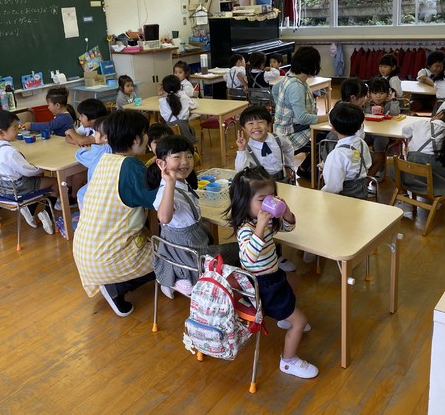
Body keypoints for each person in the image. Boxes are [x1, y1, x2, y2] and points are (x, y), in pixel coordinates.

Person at [225, 166, 317, 379]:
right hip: (262, 284)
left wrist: (287, 213)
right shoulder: (247, 228)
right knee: (300, 322)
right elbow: (248, 259)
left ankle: (283, 316)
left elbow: (288, 228)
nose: (269, 201)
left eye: (272, 196)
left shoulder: (262, 220)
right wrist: (260, 228)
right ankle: (288, 361)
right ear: (245, 202)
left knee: (293, 280)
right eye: (262, 199)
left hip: (273, 275)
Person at [72, 110, 158, 317]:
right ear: (136, 139)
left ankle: (114, 282)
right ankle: (118, 287)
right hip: (106, 258)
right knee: (171, 257)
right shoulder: (131, 166)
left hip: (84, 250)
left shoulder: (106, 159)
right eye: (145, 133)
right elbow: (159, 203)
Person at [147, 135, 239, 297]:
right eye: (177, 157)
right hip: (191, 255)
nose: (185, 161)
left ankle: (180, 276)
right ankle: (185, 277)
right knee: (239, 249)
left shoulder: (181, 182)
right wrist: (170, 183)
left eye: (189, 156)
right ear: (161, 163)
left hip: (187, 248)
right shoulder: (166, 190)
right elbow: (164, 217)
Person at [235, 105, 297, 272]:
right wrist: (241, 150)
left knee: (283, 212)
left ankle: (283, 245)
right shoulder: (247, 148)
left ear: (269, 124)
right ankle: (276, 254)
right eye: (250, 124)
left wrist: (289, 165)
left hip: (281, 180)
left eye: (260, 122)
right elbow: (240, 170)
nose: (256, 127)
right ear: (244, 129)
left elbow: (289, 148)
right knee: (269, 219)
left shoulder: (278, 138)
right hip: (262, 189)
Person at [0, 110, 57, 234]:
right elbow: (28, 171)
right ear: (1, 132)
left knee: (39, 178)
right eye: (14, 128)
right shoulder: (10, 152)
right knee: (55, 183)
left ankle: (30, 210)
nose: (18, 130)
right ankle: (46, 214)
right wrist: (44, 167)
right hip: (18, 187)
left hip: (3, 187)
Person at [271, 46, 329, 179]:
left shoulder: (289, 76)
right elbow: (302, 118)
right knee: (327, 138)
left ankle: (307, 168)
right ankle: (305, 169)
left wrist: (282, 106)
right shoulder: (296, 86)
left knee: (324, 133)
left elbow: (274, 90)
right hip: (290, 133)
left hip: (284, 129)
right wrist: (327, 117)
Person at [394, 108, 445, 195]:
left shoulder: (420, 123)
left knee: (395, 169)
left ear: (440, 114)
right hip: (435, 179)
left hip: (411, 173)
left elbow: (405, 131)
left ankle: (404, 194)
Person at [321, 104, 372, 198]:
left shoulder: (337, 154)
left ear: (333, 128)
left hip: (343, 196)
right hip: (362, 190)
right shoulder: (361, 143)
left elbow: (333, 188)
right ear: (359, 127)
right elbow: (367, 163)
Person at [364, 77, 400, 179]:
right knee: (361, 141)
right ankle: (365, 166)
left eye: (382, 93)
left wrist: (393, 99)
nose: (378, 96)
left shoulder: (389, 104)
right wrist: (365, 100)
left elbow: (395, 113)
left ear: (387, 93)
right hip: (369, 132)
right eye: (375, 93)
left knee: (379, 142)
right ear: (369, 94)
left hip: (383, 134)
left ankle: (380, 168)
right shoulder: (367, 104)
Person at [75, 115, 111, 209]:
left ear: (105, 138)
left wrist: (82, 149)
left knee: (81, 193)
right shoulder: (117, 149)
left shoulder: (98, 151)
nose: (94, 135)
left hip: (93, 194)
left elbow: (80, 156)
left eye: (96, 132)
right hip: (110, 193)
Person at [158, 74, 198, 144]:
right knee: (192, 131)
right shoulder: (183, 97)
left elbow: (163, 115)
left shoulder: (162, 101)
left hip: (170, 137)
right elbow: (194, 105)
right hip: (185, 135)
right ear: (180, 87)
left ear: (164, 88)